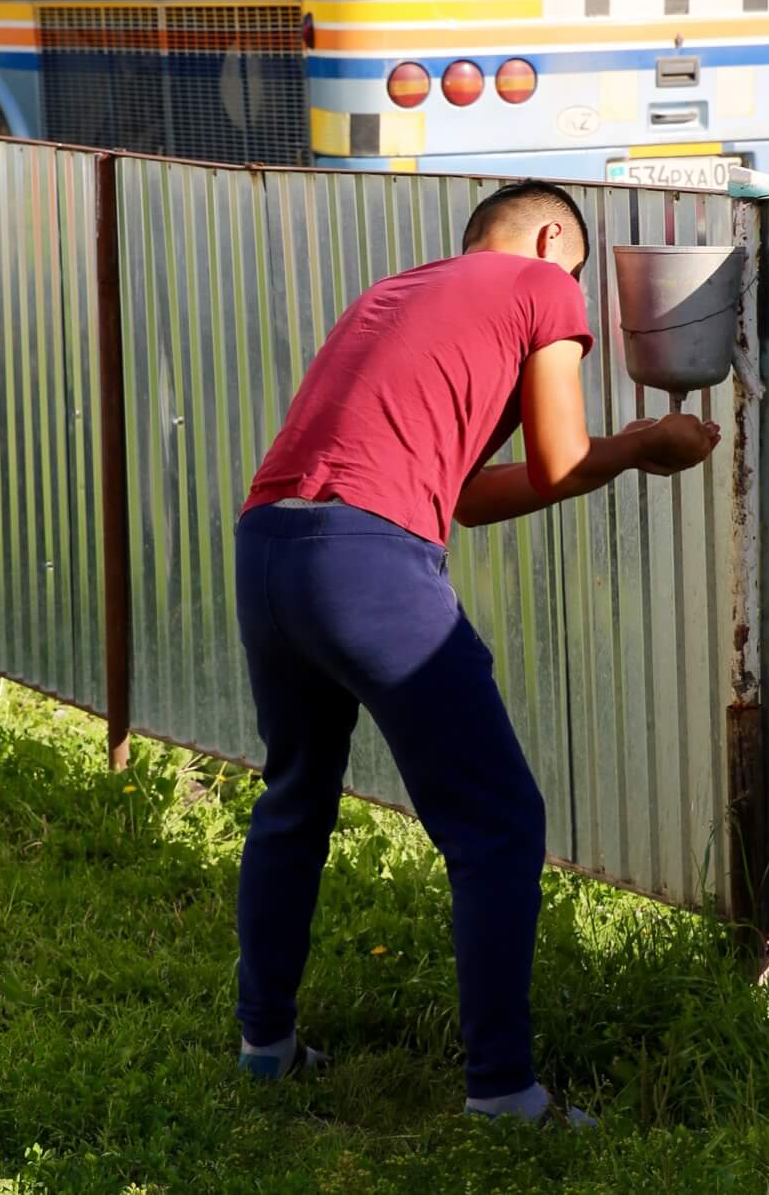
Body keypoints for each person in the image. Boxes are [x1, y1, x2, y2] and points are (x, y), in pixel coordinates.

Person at [233, 179, 720, 1124]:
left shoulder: (393, 292)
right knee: (499, 824)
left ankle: (266, 1046)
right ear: (549, 239)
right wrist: (641, 444)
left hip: (270, 547)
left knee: (294, 797)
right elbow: (559, 458)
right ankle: (502, 1092)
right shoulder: (542, 284)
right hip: (366, 559)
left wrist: (605, 453)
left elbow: (466, 495)